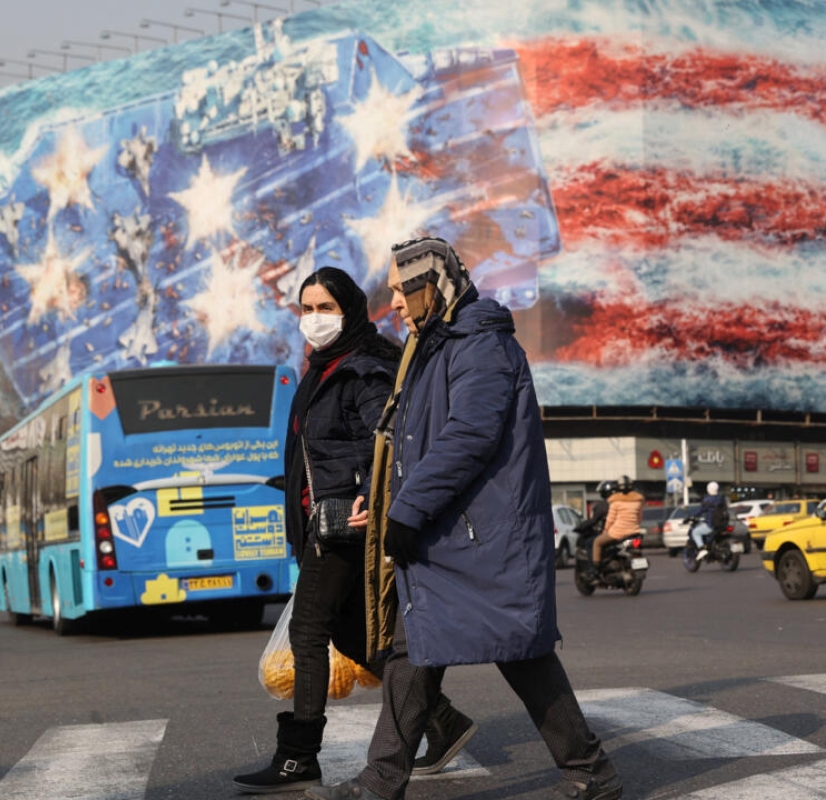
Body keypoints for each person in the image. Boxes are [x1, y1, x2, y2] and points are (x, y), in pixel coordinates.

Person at [306, 237, 622, 800]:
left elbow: (469, 437)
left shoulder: (480, 345)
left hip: (483, 535)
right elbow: (411, 446)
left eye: (401, 290)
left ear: (430, 286)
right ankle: (381, 781)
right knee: (412, 651)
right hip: (446, 533)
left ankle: (591, 772)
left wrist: (408, 510)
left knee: (521, 653)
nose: (393, 303)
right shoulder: (430, 346)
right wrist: (385, 502)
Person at [234, 267, 474, 793]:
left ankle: (298, 756)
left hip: (346, 524)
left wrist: (369, 490)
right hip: (324, 523)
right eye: (306, 308)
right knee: (353, 635)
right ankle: (441, 718)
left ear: (350, 311)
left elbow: (386, 439)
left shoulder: (362, 369)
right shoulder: (321, 370)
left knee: (308, 632)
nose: (314, 318)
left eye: (326, 308)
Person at [590, 475, 643, 576]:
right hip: (634, 533)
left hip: (617, 533)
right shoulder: (638, 502)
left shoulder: (615, 502)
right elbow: (639, 518)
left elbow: (610, 520)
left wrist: (605, 530)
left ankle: (596, 570)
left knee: (597, 542)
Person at [690, 482, 729, 559]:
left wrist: (692, 516)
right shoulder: (721, 498)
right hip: (723, 524)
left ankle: (702, 549)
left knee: (695, 532)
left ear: (708, 489)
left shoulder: (707, 500)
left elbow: (701, 511)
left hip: (712, 524)